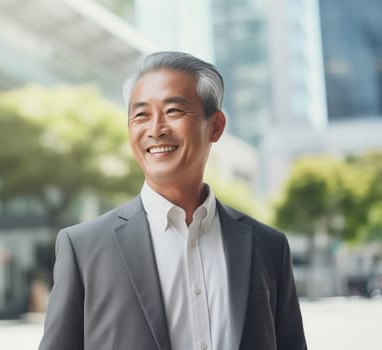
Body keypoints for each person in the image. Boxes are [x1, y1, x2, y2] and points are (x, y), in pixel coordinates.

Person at [39, 51, 307, 350]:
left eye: (173, 111)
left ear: (215, 126)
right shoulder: (84, 249)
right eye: (141, 115)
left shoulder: (268, 246)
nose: (155, 129)